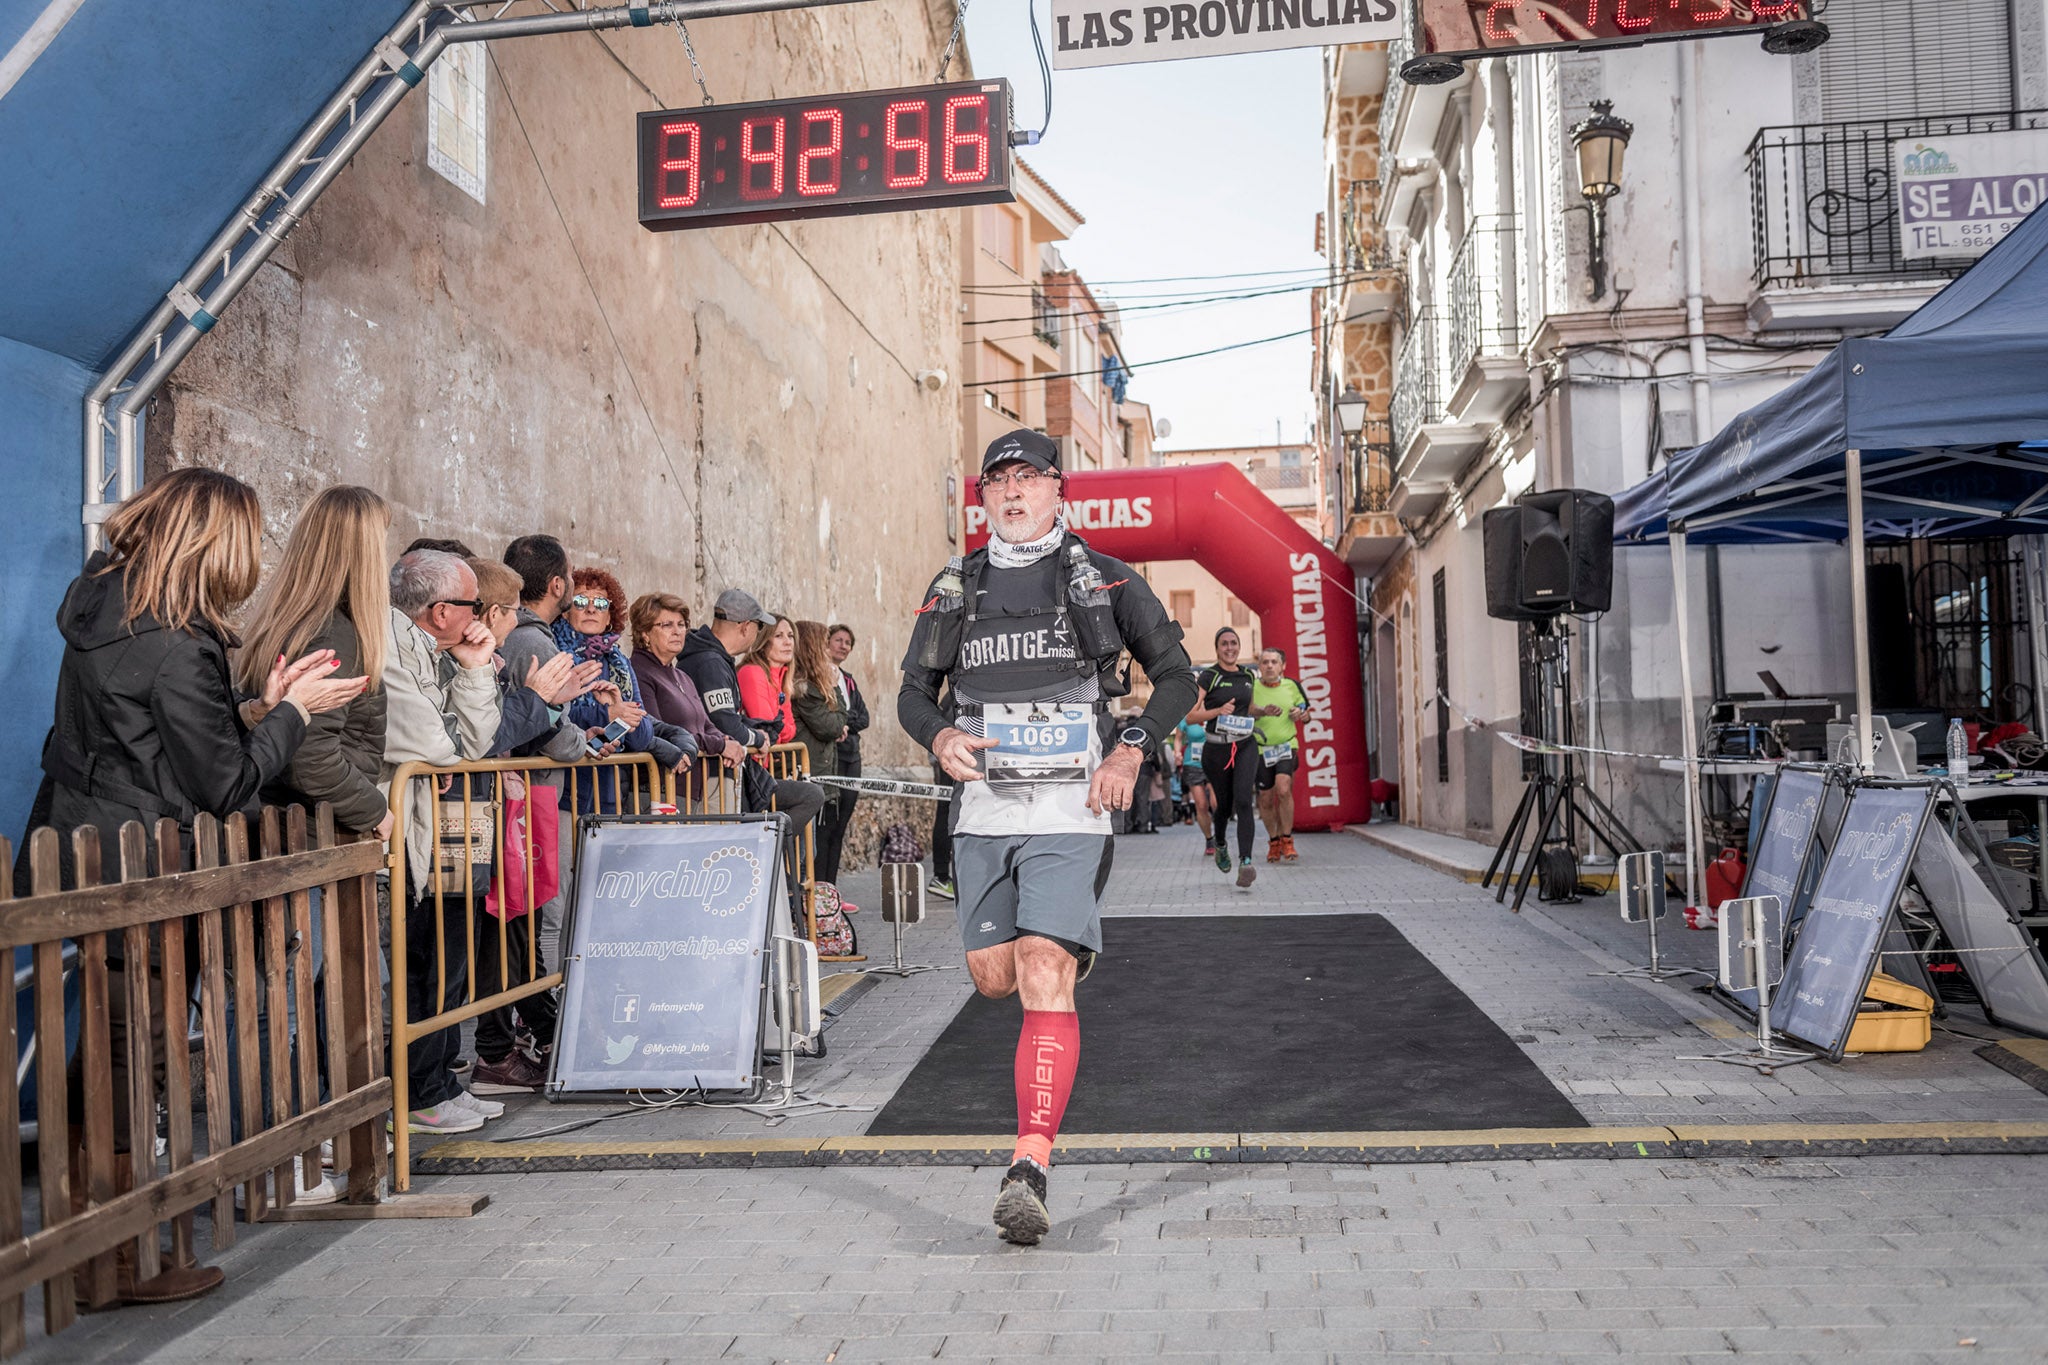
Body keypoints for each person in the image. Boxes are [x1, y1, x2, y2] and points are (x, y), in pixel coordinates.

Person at [21, 468, 365, 1305]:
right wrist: (295, 714)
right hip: (143, 868)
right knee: (133, 1056)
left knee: (107, 1051)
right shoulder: (177, 640)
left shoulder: (100, 600)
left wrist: (263, 706)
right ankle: (113, 1264)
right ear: (218, 543)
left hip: (79, 842)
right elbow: (227, 786)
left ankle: (93, 1245)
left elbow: (152, 736)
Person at [899, 428, 1198, 1247]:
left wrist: (1132, 749)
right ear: (984, 497)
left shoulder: (1103, 580)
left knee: (1039, 968)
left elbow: (1178, 676)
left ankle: (1029, 1163)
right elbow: (913, 693)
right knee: (993, 976)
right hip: (988, 810)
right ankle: (1051, 946)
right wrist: (938, 738)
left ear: (1059, 490)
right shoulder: (955, 583)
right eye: (998, 481)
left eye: (1028, 477)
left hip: (1072, 808)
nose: (1012, 491)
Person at [465, 558, 602, 1095]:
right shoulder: (526, 643)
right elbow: (485, 735)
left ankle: (519, 1038)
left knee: (516, 928)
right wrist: (560, 721)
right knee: (513, 930)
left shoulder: (509, 644)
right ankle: (503, 1048)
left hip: (516, 802)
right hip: (507, 807)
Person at [382, 549, 503, 1135]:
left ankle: (437, 1084)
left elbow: (469, 743)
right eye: (473, 606)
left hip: (447, 831)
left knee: (446, 967)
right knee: (420, 969)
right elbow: (444, 750)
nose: (479, 616)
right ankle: (419, 1091)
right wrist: (476, 678)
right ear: (439, 611)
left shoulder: (435, 653)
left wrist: (476, 668)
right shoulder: (392, 648)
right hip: (410, 834)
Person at [678, 589, 825, 909]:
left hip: (721, 774)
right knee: (808, 797)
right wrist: (757, 738)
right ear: (745, 626)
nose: (759, 636)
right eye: (760, 628)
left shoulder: (713, 658)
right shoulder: (711, 662)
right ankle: (765, 863)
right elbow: (725, 724)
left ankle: (765, 862)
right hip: (714, 777)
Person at [553, 568, 695, 803]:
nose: (590, 609)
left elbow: (640, 737)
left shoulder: (620, 663)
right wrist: (607, 713)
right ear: (566, 611)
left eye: (600, 602)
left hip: (608, 791)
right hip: (566, 793)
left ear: (609, 616)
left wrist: (614, 719)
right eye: (580, 601)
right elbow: (555, 719)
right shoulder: (555, 651)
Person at [628, 592, 744, 806]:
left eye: (682, 625)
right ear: (644, 633)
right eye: (666, 625)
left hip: (693, 787)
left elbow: (708, 725)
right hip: (659, 789)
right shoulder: (638, 672)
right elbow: (659, 731)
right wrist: (719, 746)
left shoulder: (682, 676)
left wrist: (726, 741)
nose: (677, 632)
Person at [1187, 627, 1260, 887]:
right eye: (1224, 644)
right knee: (1224, 806)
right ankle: (1219, 843)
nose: (1230, 648)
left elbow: (1249, 709)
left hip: (1245, 745)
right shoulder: (1209, 676)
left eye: (1233, 643)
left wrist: (1265, 711)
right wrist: (1218, 711)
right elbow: (1190, 716)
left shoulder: (1248, 675)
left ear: (1239, 647)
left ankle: (1246, 863)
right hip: (1216, 749)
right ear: (1217, 649)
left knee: (1243, 799)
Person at [789, 620, 851, 883]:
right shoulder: (807, 688)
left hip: (819, 771)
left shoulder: (812, 686)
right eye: (825, 642)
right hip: (807, 773)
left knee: (818, 844)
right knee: (805, 853)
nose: (830, 649)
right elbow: (831, 725)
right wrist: (835, 686)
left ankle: (822, 900)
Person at [1252, 646, 1312, 863]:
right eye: (1265, 662)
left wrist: (1300, 714)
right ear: (1259, 666)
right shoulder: (1252, 688)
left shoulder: (1292, 686)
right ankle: (1274, 841)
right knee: (1266, 798)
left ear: (1282, 666)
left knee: (1284, 788)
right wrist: (1259, 712)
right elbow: (1244, 712)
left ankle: (1287, 839)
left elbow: (1305, 712)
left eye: (1273, 662)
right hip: (1259, 748)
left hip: (1287, 745)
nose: (1269, 666)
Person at [821, 623, 869, 884]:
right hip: (834, 757)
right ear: (826, 643)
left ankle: (833, 890)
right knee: (828, 824)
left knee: (840, 828)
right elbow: (828, 715)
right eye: (838, 640)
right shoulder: (821, 676)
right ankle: (822, 888)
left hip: (853, 756)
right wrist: (844, 721)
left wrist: (845, 723)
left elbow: (864, 717)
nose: (843, 646)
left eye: (848, 642)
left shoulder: (848, 679)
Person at [1176, 715, 1213, 858]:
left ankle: (1220, 835)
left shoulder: (1214, 710)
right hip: (1193, 764)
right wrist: (1177, 753)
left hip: (1214, 762)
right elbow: (1178, 738)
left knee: (1217, 803)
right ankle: (1209, 839)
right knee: (1201, 805)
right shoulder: (1187, 716)